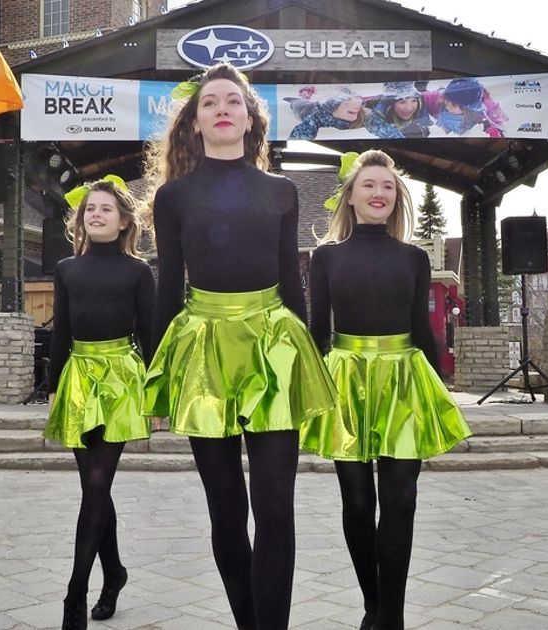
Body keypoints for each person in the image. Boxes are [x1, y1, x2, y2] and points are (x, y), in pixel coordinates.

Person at [143, 63, 336, 629]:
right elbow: (167, 286)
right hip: (203, 349)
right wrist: (157, 384)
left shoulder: (282, 190)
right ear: (196, 123)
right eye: (209, 103)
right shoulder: (174, 197)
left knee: (275, 508)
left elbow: (291, 278)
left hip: (275, 348)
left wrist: (314, 365)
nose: (222, 108)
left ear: (252, 119)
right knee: (226, 511)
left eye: (234, 100)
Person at [300, 150, 471, 630]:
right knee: (357, 500)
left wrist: (438, 389)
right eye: (369, 185)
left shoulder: (415, 258)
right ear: (350, 198)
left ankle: (391, 617)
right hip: (345, 381)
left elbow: (423, 327)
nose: (379, 193)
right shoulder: (326, 257)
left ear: (396, 200)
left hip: (403, 380)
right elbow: (317, 330)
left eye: (388, 187)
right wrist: (307, 392)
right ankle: (372, 605)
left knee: (402, 499)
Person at [44, 176, 154, 629]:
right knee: (96, 488)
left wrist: (156, 394)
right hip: (78, 379)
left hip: (121, 380)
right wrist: (53, 389)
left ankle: (75, 595)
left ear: (124, 220)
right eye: (91, 209)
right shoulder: (67, 269)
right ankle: (114, 574)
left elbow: (149, 335)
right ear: (82, 219)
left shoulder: (138, 271)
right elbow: (61, 331)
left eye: (106, 209)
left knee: (95, 483)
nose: (97, 215)